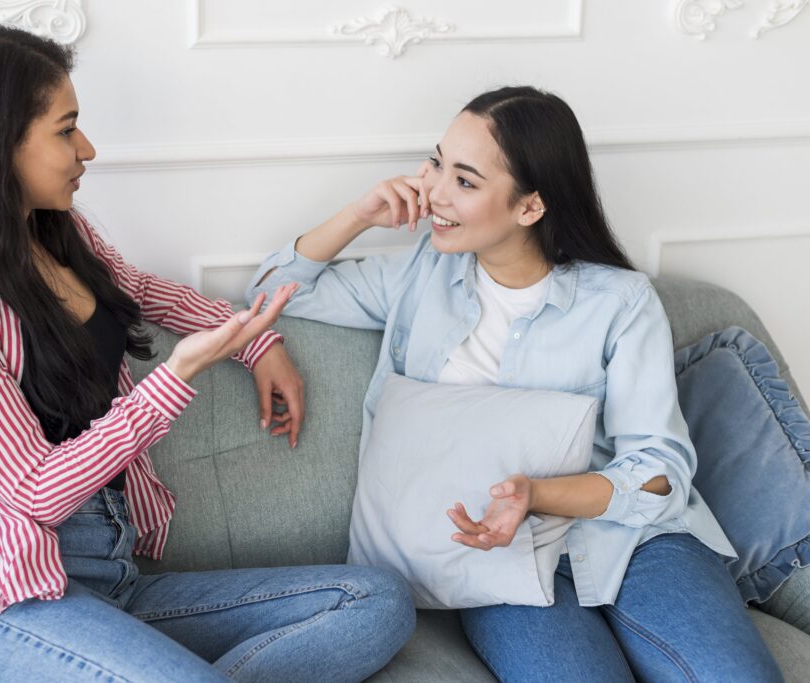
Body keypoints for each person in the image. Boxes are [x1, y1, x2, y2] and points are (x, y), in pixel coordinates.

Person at [0, 21, 414, 683]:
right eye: (65, 128)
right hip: (7, 594)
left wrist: (257, 342)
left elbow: (143, 292)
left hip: (114, 585)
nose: (88, 148)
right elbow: (36, 490)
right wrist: (174, 376)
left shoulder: (62, 236)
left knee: (377, 599)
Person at [247, 86, 783, 681]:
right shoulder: (418, 277)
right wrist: (359, 215)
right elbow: (275, 290)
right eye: (437, 164)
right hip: (494, 558)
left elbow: (660, 471)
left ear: (530, 207)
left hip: (633, 539)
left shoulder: (620, 303)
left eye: (466, 181)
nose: (434, 195)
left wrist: (539, 494)